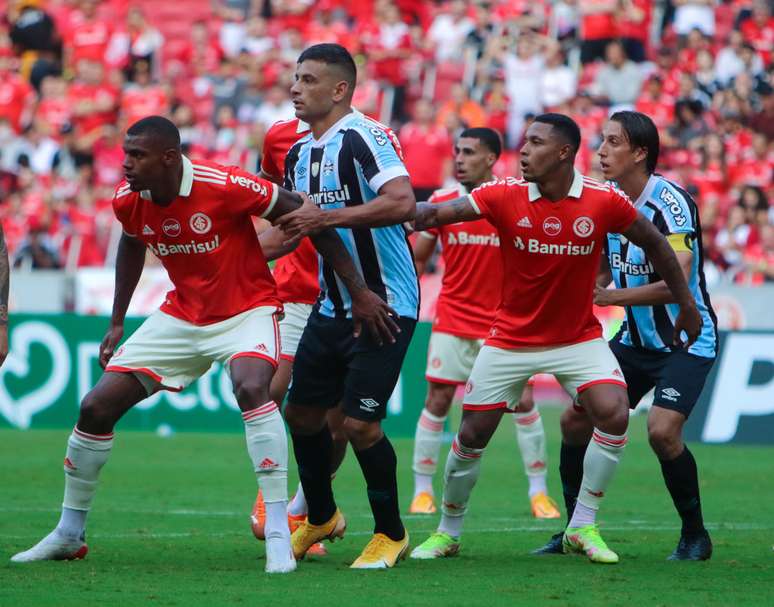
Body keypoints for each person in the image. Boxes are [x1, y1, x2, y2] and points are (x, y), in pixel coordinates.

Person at [10, 115, 395, 574]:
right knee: (95, 406)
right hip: (182, 313)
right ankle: (69, 534)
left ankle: (276, 531)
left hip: (247, 308)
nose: (125, 163)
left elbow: (308, 217)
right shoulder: (128, 199)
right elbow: (131, 246)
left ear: (170, 158)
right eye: (125, 154)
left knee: (253, 388)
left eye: (137, 155)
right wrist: (117, 322)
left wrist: (358, 290)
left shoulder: (226, 184)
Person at [409, 113, 702, 564]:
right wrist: (380, 213)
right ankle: (447, 531)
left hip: (576, 338)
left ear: (563, 153)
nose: (523, 151)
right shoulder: (502, 193)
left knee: (614, 412)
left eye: (535, 143)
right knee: (472, 433)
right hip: (510, 337)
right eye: (523, 143)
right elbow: (433, 213)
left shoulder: (602, 201)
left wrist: (686, 305)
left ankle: (582, 524)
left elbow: (659, 246)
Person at [533, 111, 717, 560]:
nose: (600, 151)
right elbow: (595, 253)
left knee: (662, 431)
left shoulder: (670, 202)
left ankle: (695, 534)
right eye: (601, 141)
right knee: (574, 421)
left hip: (684, 339)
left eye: (613, 142)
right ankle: (575, 529)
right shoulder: (605, 198)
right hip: (632, 342)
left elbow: (680, 277)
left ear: (639, 153)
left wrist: (611, 294)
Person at [271, 43, 418, 569]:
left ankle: (391, 534)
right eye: (294, 77)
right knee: (302, 413)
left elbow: (403, 202)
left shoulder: (365, 136)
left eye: (307, 79)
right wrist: (219, 260)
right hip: (333, 302)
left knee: (359, 425)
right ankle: (322, 516)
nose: (295, 87)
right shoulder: (297, 152)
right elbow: (291, 232)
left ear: (339, 89)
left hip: (387, 302)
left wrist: (325, 220)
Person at [409, 127, 559, 520]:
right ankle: (422, 490)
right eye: (457, 151)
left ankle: (538, 492)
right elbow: (418, 259)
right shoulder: (441, 202)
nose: (459, 158)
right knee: (438, 400)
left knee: (524, 402)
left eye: (469, 152)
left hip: (503, 326)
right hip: (452, 320)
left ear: (491, 159)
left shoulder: (512, 200)